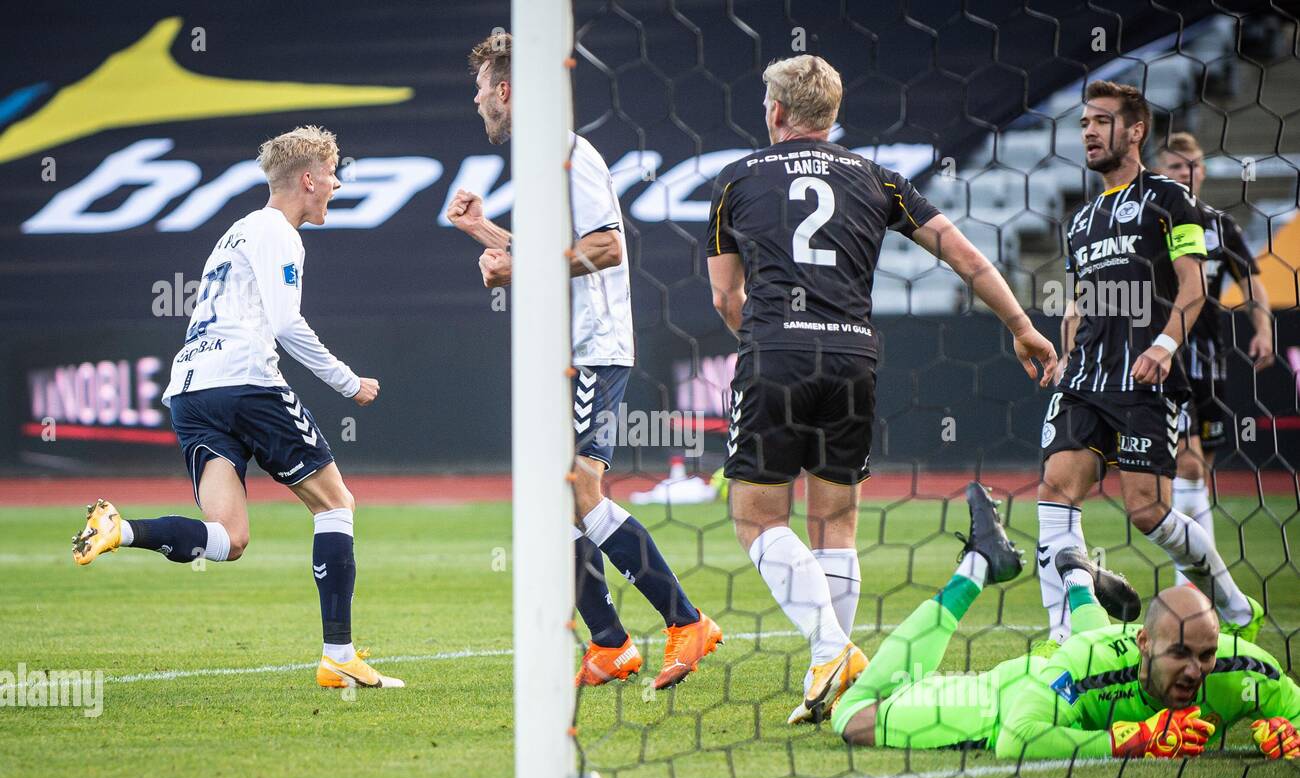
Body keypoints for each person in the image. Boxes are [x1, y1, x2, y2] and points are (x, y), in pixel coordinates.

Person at [705, 54, 1058, 723]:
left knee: (757, 517)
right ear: (832, 116)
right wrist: (1021, 326)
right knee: (834, 520)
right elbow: (965, 254)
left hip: (776, 349)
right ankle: (831, 678)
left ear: (777, 112)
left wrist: (764, 344)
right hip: (852, 354)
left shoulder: (737, 178)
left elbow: (727, 296)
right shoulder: (877, 178)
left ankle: (832, 649)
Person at [71, 126, 401, 689]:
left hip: (191, 390)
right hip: (245, 383)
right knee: (335, 504)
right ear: (307, 179)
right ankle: (338, 655)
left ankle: (120, 530)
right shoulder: (278, 231)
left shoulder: (235, 233)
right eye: (332, 173)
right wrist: (348, 384)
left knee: (229, 538)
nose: (338, 183)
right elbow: (285, 324)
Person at [449, 32, 723, 690]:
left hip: (593, 349)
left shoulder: (571, 154)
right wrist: (486, 233)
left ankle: (687, 622)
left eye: (483, 88)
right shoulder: (543, 159)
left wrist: (521, 268)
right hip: (567, 353)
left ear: (508, 90)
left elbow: (603, 248)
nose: (477, 98)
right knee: (554, 500)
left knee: (578, 489)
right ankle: (609, 643)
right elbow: (554, 251)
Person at [1036, 81, 1262, 645]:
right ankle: (1066, 641)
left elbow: (1193, 289)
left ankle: (1230, 604)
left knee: (1147, 512)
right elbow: (1082, 301)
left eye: (1102, 121)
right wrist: (1064, 356)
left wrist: (1163, 346)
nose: (1088, 130)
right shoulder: (1082, 220)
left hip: (1143, 380)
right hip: (1086, 378)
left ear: (1135, 131)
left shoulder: (1171, 200)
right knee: (1055, 491)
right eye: (1084, 121)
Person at [835, 492, 1299, 763]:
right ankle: (980, 566)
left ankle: (1077, 576)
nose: (1197, 671)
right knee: (853, 715)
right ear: (1145, 643)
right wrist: (1131, 740)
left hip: (1079, 661)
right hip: (1012, 697)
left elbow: (1294, 708)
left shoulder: (1245, 672)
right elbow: (1018, 737)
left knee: (1089, 645)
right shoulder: (1090, 664)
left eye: (1206, 654)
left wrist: (1287, 730)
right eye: (1180, 654)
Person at [1155, 131, 1275, 584]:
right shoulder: (1150, 220)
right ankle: (1194, 585)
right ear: (1161, 172)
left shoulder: (1220, 225)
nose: (1186, 173)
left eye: (1193, 166)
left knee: (1199, 466)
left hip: (1210, 356)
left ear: (1203, 171)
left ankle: (1196, 578)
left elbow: (1251, 282)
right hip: (1166, 354)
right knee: (1184, 461)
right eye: (1176, 166)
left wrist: (1263, 329)